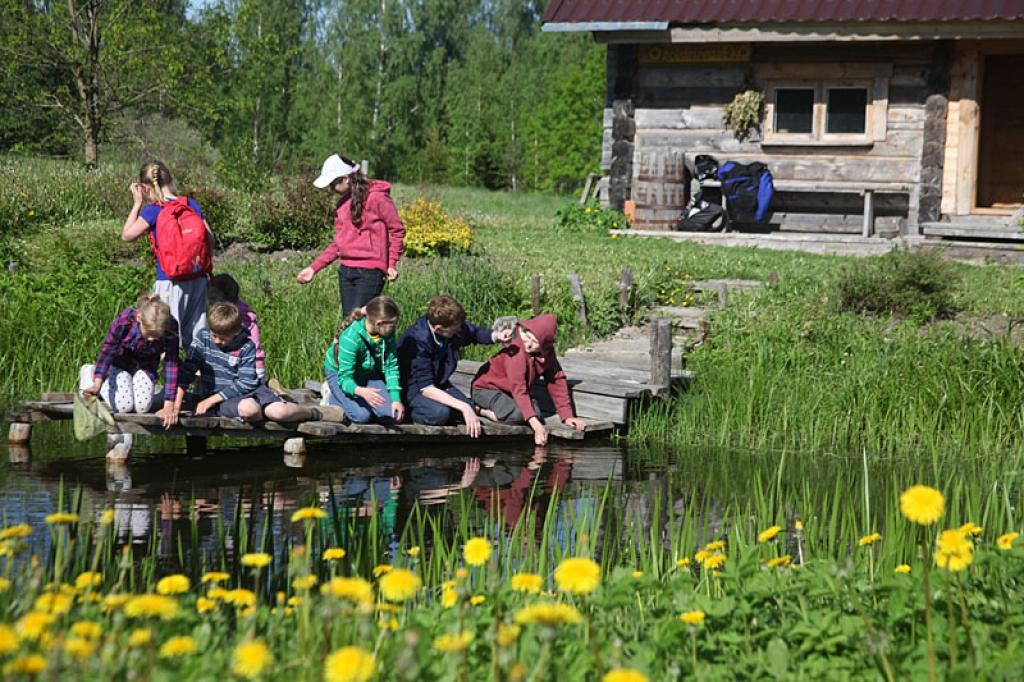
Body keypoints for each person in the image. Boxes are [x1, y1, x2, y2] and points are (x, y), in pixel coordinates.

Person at [170, 303, 339, 424]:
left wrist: (210, 401)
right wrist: (175, 406)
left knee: (279, 412)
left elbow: (246, 382)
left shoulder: (246, 345)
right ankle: (263, 411)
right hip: (225, 400)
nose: (217, 341)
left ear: (236, 332)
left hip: (246, 391)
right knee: (249, 409)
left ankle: (312, 412)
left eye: (222, 338)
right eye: (214, 335)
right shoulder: (203, 337)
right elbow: (186, 371)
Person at [296, 154, 406, 316]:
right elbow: (338, 244)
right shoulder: (342, 205)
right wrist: (314, 268)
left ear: (346, 179)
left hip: (370, 273)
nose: (331, 189)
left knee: (357, 323)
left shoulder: (377, 198)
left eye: (333, 183)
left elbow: (397, 230)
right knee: (349, 323)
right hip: (346, 271)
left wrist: (391, 263)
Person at [121, 160, 213, 349]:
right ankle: (195, 375)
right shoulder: (191, 205)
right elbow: (210, 239)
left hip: (170, 280)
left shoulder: (154, 210)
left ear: (145, 187)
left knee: (165, 335)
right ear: (169, 179)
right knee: (197, 338)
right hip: (198, 278)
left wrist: (137, 203)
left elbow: (127, 235)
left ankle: (169, 376)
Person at [397, 296, 512, 437]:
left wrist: (497, 336)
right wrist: (463, 407)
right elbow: (426, 388)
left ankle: (470, 408)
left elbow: (474, 333)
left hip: (439, 382)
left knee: (467, 408)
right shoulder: (419, 341)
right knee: (439, 414)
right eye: (455, 330)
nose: (459, 331)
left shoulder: (453, 326)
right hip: (413, 388)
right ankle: (411, 411)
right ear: (438, 329)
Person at [471, 313, 587, 446]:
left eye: (534, 341)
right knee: (518, 415)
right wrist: (537, 428)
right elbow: (519, 389)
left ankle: (503, 410)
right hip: (486, 389)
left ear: (545, 344)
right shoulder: (517, 353)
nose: (528, 342)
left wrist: (567, 416)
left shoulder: (547, 352)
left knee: (536, 414)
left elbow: (556, 380)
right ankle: (481, 410)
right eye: (527, 335)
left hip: (510, 391)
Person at [79, 293, 181, 428]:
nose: (151, 339)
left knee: (142, 407)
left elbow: (171, 363)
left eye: (157, 336)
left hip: (146, 364)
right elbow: (108, 351)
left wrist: (169, 404)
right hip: (120, 362)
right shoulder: (124, 321)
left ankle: (131, 385)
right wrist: (97, 383)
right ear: (139, 318)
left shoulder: (170, 325)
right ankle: (90, 372)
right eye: (149, 334)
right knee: (124, 406)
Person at [323, 296, 404, 425]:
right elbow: (345, 378)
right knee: (361, 416)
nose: (395, 327)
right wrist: (361, 392)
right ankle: (332, 395)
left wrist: (396, 399)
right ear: (379, 323)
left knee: (391, 415)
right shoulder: (351, 339)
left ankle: (354, 399)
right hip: (340, 374)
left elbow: (390, 366)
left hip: (366, 371)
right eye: (392, 324)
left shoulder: (388, 333)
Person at [207, 273, 266, 383]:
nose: (210, 302)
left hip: (249, 368)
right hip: (256, 365)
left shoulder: (233, 318)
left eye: (213, 298)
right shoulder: (242, 310)